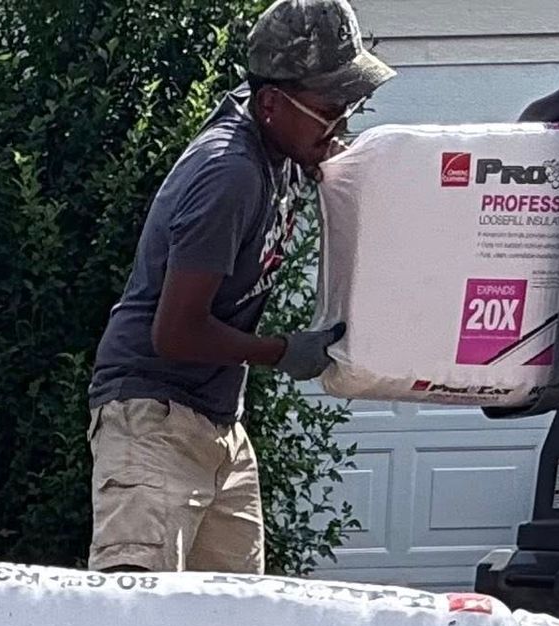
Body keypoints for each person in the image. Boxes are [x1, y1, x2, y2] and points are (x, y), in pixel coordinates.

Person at [85, 0, 393, 576]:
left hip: (219, 424)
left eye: (350, 107)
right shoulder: (229, 173)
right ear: (271, 103)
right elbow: (175, 332)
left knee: (236, 614)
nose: (341, 126)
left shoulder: (278, 143)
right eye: (330, 109)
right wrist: (282, 351)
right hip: (153, 418)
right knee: (136, 611)